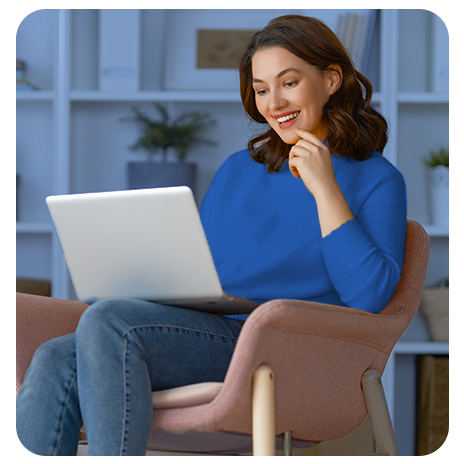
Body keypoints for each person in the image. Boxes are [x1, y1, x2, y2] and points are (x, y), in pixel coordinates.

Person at [16, 15, 407, 455]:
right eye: (261, 89)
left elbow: (370, 295)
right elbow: (205, 272)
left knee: (109, 323)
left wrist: (324, 187)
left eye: (289, 82)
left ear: (331, 79)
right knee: (54, 356)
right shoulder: (240, 170)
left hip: (284, 350)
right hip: (208, 333)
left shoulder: (377, 179)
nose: (274, 102)